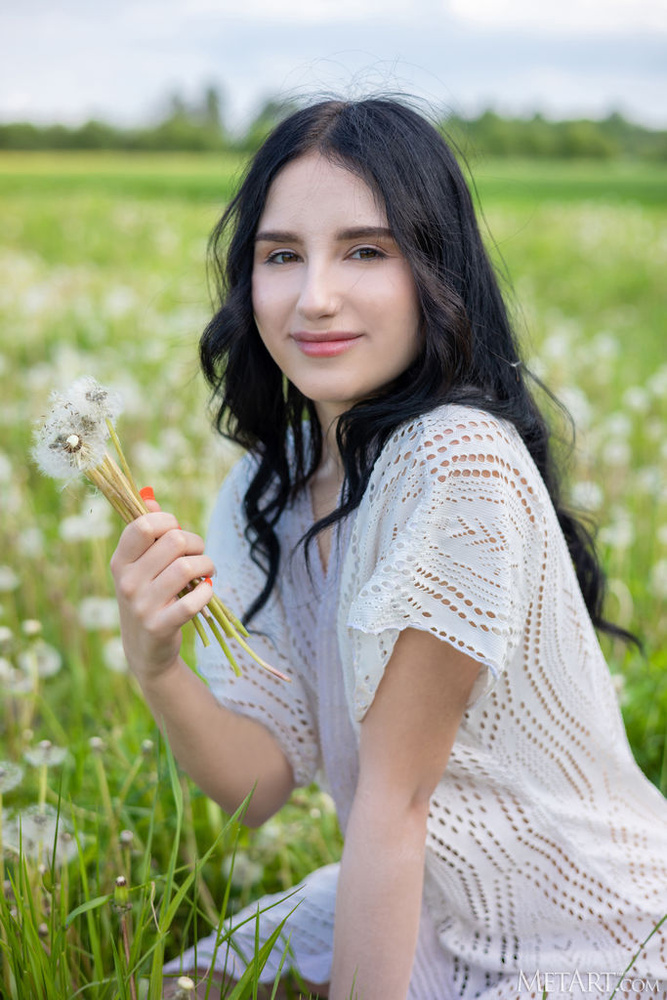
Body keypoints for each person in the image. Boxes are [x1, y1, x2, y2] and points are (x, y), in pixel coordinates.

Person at [110, 98, 667, 1000]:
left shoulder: (458, 465)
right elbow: (257, 790)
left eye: (365, 251)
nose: (314, 295)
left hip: (587, 935)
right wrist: (157, 662)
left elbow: (394, 805)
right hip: (425, 899)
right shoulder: (269, 487)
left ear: (433, 273)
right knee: (179, 988)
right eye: (281, 254)